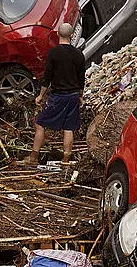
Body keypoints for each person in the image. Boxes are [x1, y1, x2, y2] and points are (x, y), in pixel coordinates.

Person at [23, 23, 86, 166]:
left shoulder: (53, 53)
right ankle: (65, 160)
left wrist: (40, 96)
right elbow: (81, 78)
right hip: (73, 96)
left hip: (58, 96)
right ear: (71, 35)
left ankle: (33, 157)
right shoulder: (79, 55)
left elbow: (47, 78)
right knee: (68, 128)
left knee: (40, 124)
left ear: (58, 34)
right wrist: (80, 96)